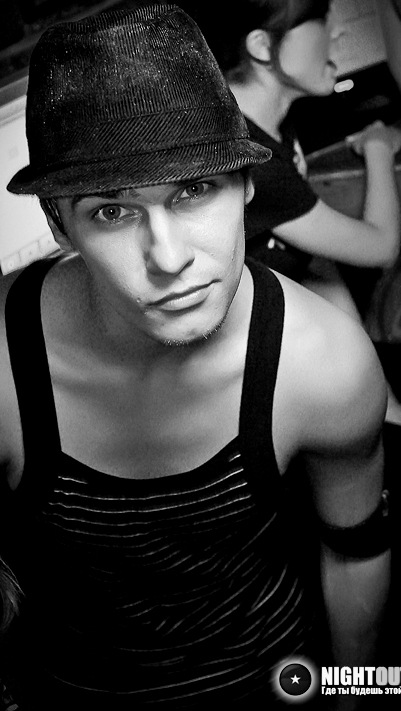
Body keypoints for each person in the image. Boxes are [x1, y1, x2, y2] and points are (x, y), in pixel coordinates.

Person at [0, 3, 391, 708]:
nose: (169, 257)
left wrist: (350, 697)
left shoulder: (323, 364)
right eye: (112, 211)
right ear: (60, 226)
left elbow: (355, 552)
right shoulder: (5, 367)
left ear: (246, 186)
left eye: (195, 190)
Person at [177, 0, 401, 423]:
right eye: (320, 20)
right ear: (262, 46)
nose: (337, 32)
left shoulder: (255, 117)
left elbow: (308, 258)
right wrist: (378, 149)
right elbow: (380, 246)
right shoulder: (249, 156)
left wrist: (377, 389)